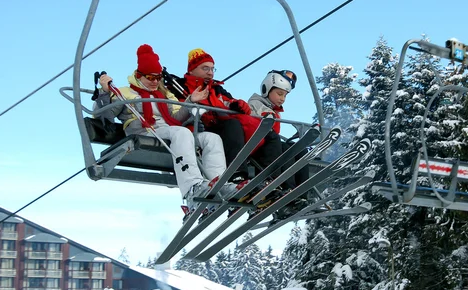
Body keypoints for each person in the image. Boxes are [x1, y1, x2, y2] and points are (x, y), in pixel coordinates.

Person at [94, 44, 228, 222]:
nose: (155, 81)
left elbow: (177, 117)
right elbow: (103, 114)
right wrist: (104, 91)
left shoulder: (164, 95)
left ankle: (218, 185)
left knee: (212, 138)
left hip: (167, 131)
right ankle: (192, 189)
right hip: (144, 132)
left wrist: (190, 101)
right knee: (181, 133)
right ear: (139, 76)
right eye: (150, 77)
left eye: (158, 77)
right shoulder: (124, 94)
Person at [164, 48, 285, 211]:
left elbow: (229, 101)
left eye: (212, 68)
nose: (210, 72)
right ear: (192, 70)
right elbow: (176, 112)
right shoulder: (181, 87)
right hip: (208, 128)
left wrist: (237, 105)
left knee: (271, 137)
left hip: (224, 125)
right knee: (233, 126)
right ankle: (237, 176)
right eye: (205, 68)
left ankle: (268, 181)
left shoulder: (217, 89)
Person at [248, 70, 311, 219]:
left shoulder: (272, 110)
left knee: (297, 150)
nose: (282, 99)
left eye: (285, 95)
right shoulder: (254, 104)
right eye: (279, 94)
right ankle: (283, 188)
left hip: (270, 145)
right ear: (267, 89)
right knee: (285, 150)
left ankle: (301, 194)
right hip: (258, 149)